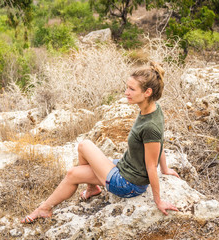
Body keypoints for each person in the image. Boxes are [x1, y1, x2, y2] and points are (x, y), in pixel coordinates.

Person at [21, 62, 180, 224]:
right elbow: (160, 142)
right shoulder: (153, 108)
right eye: (127, 87)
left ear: (148, 92)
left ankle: (44, 208)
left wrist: (158, 200)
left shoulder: (150, 126)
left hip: (128, 184)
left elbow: (151, 166)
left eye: (132, 89)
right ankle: (91, 189)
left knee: (73, 174)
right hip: (125, 167)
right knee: (83, 146)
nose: (126, 93)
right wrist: (166, 169)